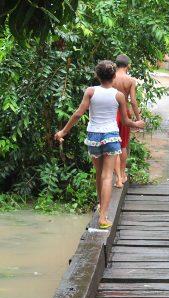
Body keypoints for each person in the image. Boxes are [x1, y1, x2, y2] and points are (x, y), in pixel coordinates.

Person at [55, 60, 145, 228]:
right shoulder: (118, 95)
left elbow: (78, 114)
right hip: (111, 136)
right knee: (107, 176)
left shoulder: (90, 92)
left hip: (94, 136)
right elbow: (125, 121)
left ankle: (100, 206)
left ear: (97, 75)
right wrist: (137, 124)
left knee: (99, 174)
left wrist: (63, 132)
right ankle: (103, 217)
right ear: (113, 76)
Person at [112, 54, 141, 188]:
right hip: (124, 113)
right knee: (123, 145)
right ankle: (122, 174)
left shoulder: (110, 77)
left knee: (113, 144)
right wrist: (138, 119)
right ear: (128, 66)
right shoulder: (130, 80)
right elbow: (133, 102)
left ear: (115, 64)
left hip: (111, 113)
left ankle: (116, 175)